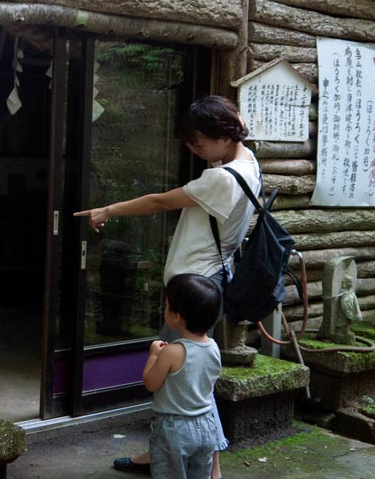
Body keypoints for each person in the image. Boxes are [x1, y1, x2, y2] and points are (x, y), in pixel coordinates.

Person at [74, 95, 259, 479]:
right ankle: (208, 464)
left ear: (224, 136)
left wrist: (108, 210)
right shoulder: (248, 163)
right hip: (211, 282)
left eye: (199, 142)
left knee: (173, 385)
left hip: (195, 287)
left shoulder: (220, 178)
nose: (195, 150)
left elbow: (160, 202)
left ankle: (178, 461)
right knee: (198, 384)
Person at [143, 274, 223, 479]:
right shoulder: (213, 347)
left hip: (174, 428)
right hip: (206, 424)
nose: (164, 308)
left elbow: (151, 383)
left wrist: (153, 355)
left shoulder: (173, 352)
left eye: (167, 305)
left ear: (177, 316)